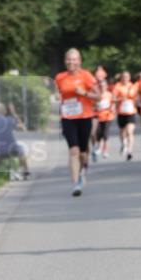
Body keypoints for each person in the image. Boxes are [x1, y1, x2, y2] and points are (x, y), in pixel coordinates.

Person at [54, 49, 100, 196]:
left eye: (74, 59)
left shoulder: (86, 76)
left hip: (84, 117)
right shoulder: (60, 77)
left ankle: (83, 169)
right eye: (68, 59)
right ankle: (76, 184)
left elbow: (98, 96)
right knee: (73, 150)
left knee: (83, 152)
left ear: (79, 61)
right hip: (67, 118)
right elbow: (57, 93)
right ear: (65, 61)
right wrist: (56, 96)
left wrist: (84, 93)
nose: (71, 62)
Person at [0, 102, 30, 178]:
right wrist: (14, 113)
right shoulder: (9, 120)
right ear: (4, 111)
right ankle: (26, 172)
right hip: (12, 148)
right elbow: (22, 128)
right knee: (22, 150)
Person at [113, 71, 137, 159]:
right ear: (121, 78)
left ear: (129, 78)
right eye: (123, 77)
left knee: (129, 131)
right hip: (121, 113)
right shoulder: (117, 86)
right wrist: (120, 99)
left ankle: (130, 151)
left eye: (127, 77)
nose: (125, 78)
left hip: (131, 112)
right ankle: (123, 144)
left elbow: (137, 96)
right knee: (122, 131)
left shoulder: (133, 86)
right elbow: (113, 98)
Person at [93, 78, 115, 159]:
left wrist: (113, 108)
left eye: (103, 86)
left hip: (107, 117)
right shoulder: (95, 95)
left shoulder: (109, 94)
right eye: (100, 86)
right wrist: (95, 107)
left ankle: (105, 151)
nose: (102, 87)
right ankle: (99, 147)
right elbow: (92, 106)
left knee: (105, 134)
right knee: (98, 133)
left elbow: (113, 104)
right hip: (98, 117)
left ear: (106, 86)